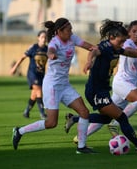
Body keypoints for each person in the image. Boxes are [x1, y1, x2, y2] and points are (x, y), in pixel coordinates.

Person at [65, 19, 137, 152]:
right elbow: (94, 51)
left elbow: (129, 53)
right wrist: (89, 61)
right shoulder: (105, 47)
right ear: (112, 37)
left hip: (103, 89)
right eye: (120, 41)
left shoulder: (116, 48)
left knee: (106, 118)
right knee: (121, 117)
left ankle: (74, 118)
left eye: (123, 41)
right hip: (95, 90)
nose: (122, 44)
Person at [12, 17, 98, 154]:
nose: (71, 32)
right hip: (52, 86)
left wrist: (92, 56)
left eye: (71, 29)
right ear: (59, 31)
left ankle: (81, 147)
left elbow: (91, 47)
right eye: (68, 30)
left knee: (84, 112)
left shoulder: (73, 38)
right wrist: (51, 55)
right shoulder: (54, 41)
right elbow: (50, 50)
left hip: (64, 85)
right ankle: (19, 131)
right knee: (51, 123)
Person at [10, 30, 48, 119]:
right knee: (39, 91)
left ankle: (26, 111)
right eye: (42, 37)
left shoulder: (47, 49)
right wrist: (14, 68)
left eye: (45, 37)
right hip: (32, 73)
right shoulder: (33, 48)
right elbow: (22, 57)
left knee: (34, 94)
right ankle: (42, 113)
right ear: (38, 38)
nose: (44, 39)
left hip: (41, 74)